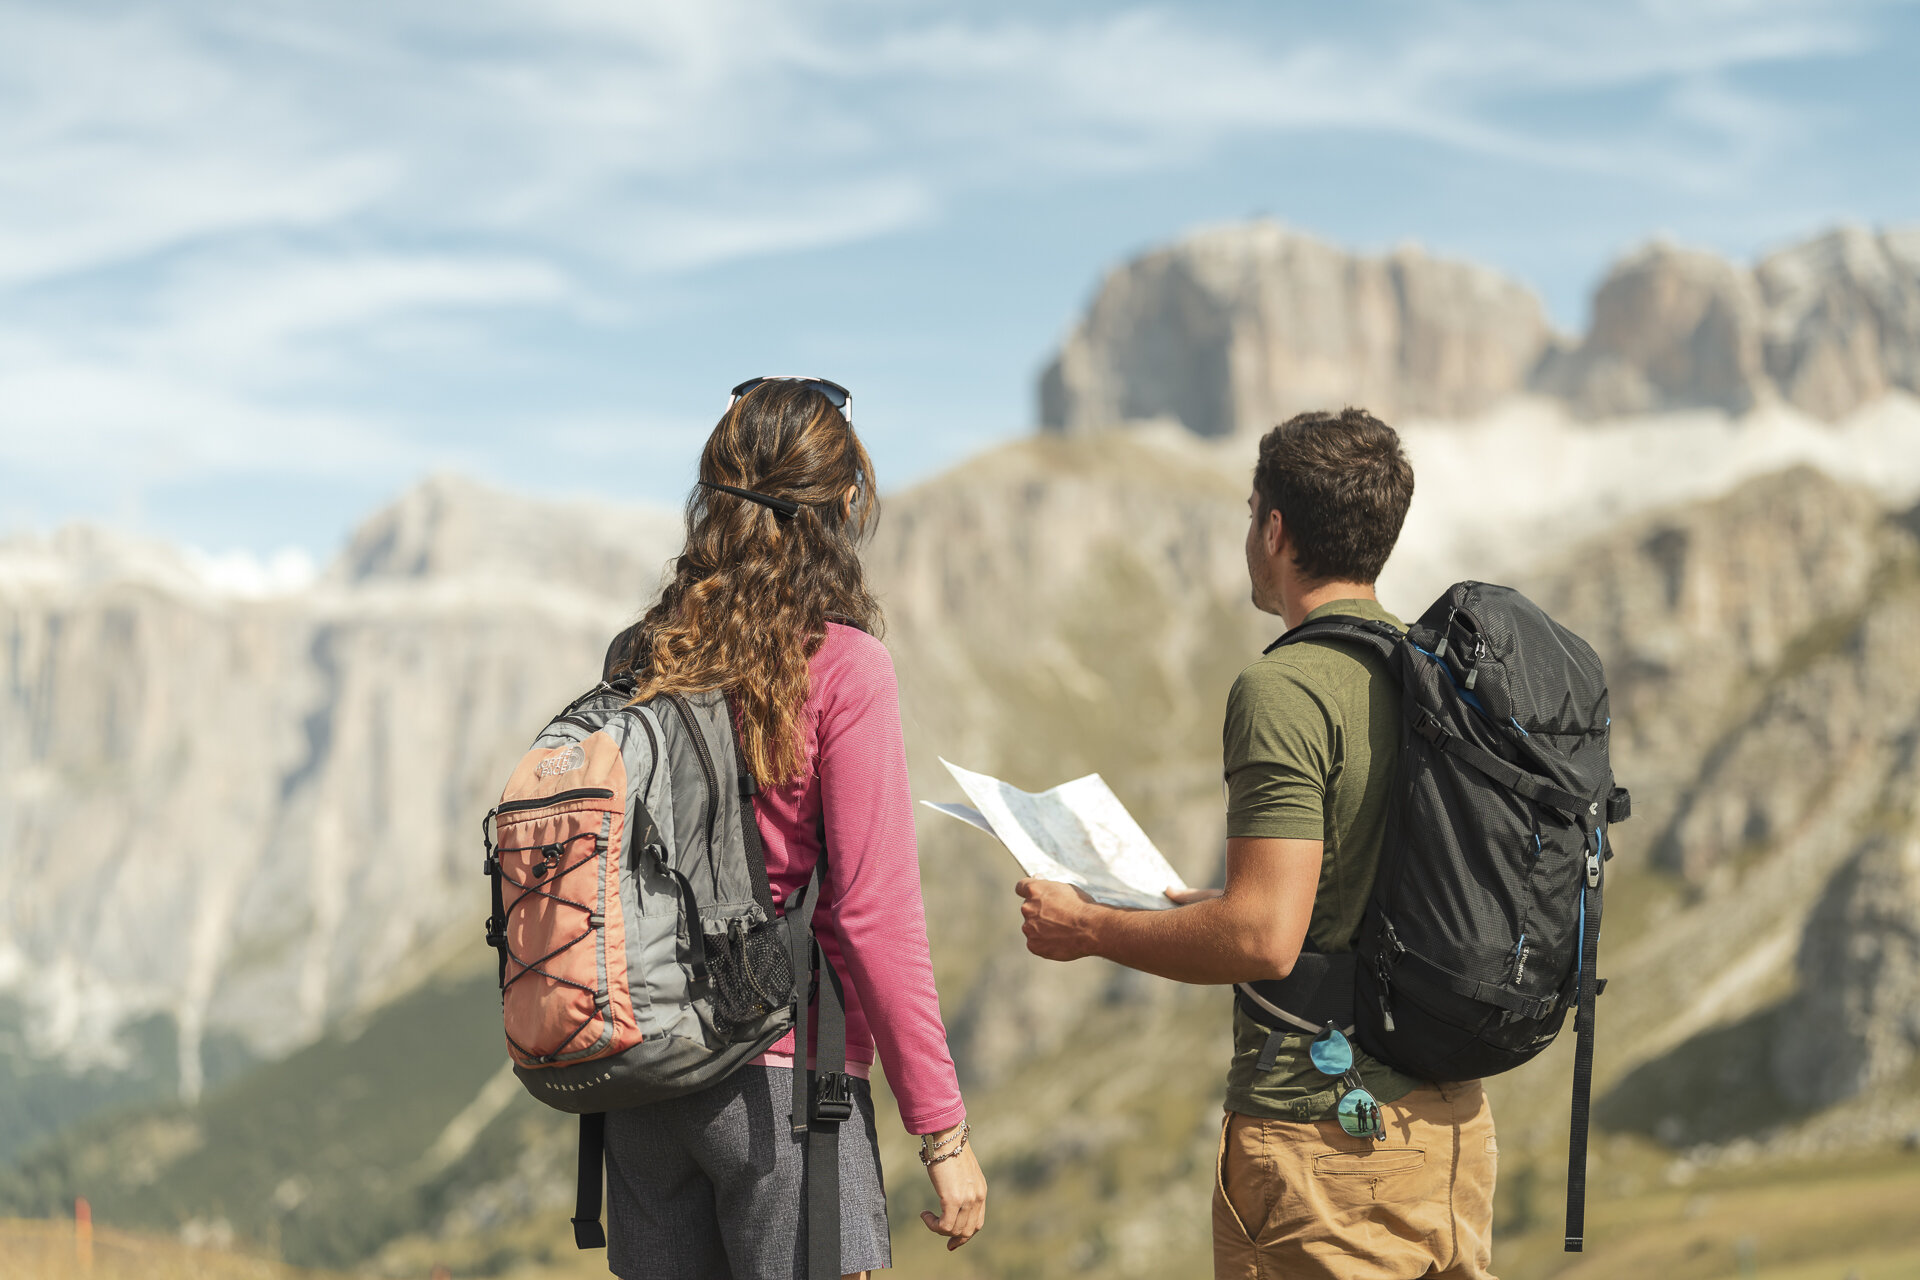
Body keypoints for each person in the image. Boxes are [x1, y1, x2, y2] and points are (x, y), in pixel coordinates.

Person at [1016, 408, 1497, 1280]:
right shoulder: (1435, 673)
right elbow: (1350, 895)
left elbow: (1261, 940)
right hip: (1450, 1126)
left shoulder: (1285, 687)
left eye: (1251, 513)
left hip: (1325, 1140)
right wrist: (1218, 904)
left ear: (1274, 530)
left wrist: (1088, 928)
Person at [599, 377, 986, 1280]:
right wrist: (941, 1129)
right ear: (843, 505)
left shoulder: (644, 654)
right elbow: (872, 917)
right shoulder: (844, 667)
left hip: (644, 1081)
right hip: (784, 1083)